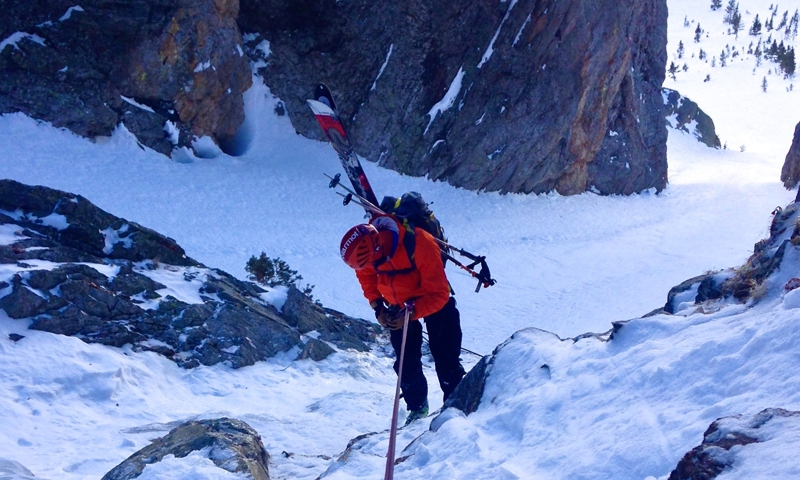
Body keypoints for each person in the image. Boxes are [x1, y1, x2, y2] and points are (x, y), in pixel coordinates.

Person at [339, 214, 466, 424]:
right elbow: (366, 277)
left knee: (446, 360)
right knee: (405, 365)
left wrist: (413, 313)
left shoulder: (420, 243)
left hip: (434, 302)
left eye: (370, 262)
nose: (370, 266)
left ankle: (457, 408)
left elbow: (439, 295)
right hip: (398, 306)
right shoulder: (369, 253)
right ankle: (417, 408)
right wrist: (378, 307)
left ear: (378, 249)